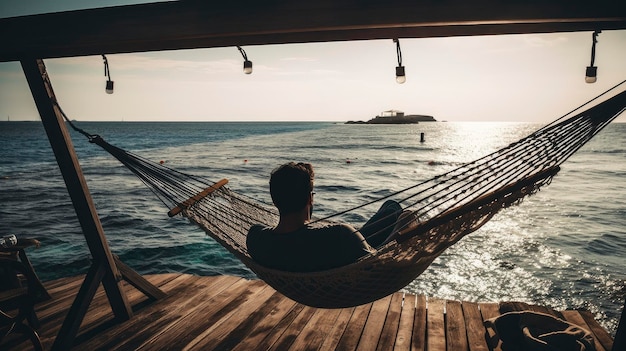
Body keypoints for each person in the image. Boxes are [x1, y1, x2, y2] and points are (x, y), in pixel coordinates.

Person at [246, 162, 416, 272]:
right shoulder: (340, 234)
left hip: (329, 254)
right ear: (309, 199)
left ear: (275, 200)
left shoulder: (255, 238)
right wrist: (405, 222)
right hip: (354, 260)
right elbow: (378, 262)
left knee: (390, 208)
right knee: (400, 212)